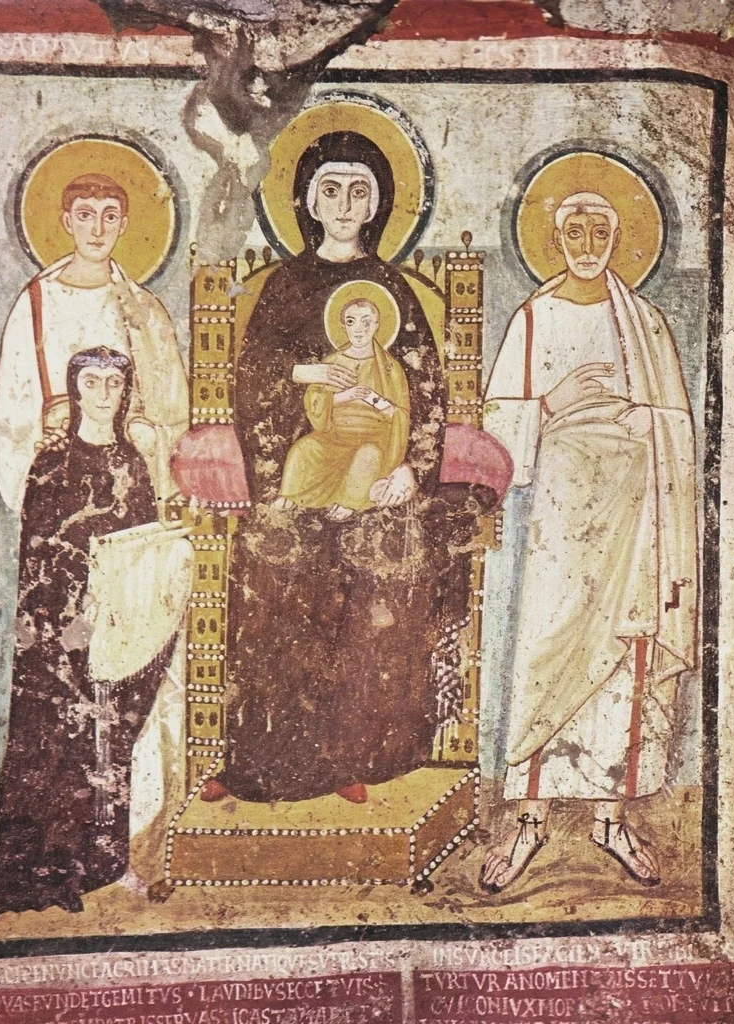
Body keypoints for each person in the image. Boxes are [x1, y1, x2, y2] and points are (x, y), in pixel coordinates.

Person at [197, 131, 495, 807]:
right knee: (274, 582)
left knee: (373, 587)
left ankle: (354, 759)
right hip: (298, 477)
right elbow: (254, 382)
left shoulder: (392, 290)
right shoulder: (285, 287)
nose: (342, 204)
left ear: (376, 205)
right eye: (329, 190)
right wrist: (305, 376)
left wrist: (412, 470)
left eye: (358, 192)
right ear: (306, 201)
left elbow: (425, 394)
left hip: (376, 477)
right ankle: (256, 767)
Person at [481, 192, 697, 891]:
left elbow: (677, 424)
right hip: (559, 513)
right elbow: (495, 425)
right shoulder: (534, 317)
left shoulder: (646, 323)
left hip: (634, 510)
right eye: (573, 231)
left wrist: (645, 421)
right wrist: (556, 400)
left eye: (598, 230)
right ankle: (530, 820)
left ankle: (610, 818)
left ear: (616, 236)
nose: (585, 243)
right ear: (554, 239)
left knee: (627, 652)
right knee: (546, 647)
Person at [0, 348, 175, 920]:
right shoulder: (51, 462)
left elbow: (141, 548)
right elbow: (34, 547)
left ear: (125, 391)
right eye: (92, 381)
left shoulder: (131, 462)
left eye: (114, 383)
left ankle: (94, 866)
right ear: (75, 389)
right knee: (43, 745)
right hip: (52, 628)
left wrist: (116, 612)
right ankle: (19, 876)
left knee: (102, 744)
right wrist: (53, 621)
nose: (104, 393)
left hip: (110, 627)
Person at [0, 173, 188, 513]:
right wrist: (42, 454)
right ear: (67, 221)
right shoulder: (35, 304)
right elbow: (12, 414)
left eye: (109, 217)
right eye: (85, 215)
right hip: (59, 478)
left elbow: (174, 411)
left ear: (123, 225)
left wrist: (145, 435)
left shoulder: (145, 311)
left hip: (129, 478)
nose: (97, 230)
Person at [276, 295, 410, 521]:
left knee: (368, 456)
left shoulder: (390, 368)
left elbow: (402, 416)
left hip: (373, 440)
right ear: (343, 325)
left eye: (366, 322)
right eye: (351, 321)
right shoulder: (332, 361)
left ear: (377, 325)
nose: (359, 329)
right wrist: (342, 397)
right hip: (334, 438)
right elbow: (314, 402)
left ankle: (349, 501)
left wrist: (378, 403)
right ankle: (291, 495)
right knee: (304, 448)